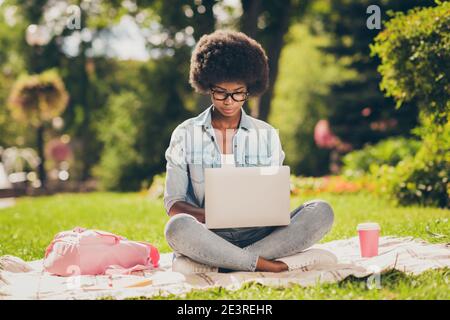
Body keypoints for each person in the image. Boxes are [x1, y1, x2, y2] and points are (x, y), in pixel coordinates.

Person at [163, 30, 334, 273]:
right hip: (208, 233)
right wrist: (215, 215)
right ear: (207, 86)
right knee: (176, 228)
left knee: (321, 211)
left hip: (261, 234)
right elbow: (174, 203)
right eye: (221, 92)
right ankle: (263, 264)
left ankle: (229, 262)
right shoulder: (185, 133)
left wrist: (264, 210)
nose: (229, 101)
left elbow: (277, 196)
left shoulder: (266, 134)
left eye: (238, 93)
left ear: (249, 89)